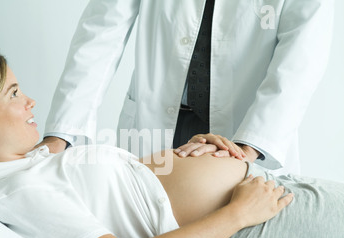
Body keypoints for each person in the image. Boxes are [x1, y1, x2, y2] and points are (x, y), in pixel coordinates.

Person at [0, 49, 344, 238]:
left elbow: (122, 193)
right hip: (250, 225)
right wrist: (238, 213)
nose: (30, 101)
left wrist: (191, 150)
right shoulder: (18, 192)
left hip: (258, 191)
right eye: (12, 93)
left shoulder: (31, 163)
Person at [43, 0, 335, 175]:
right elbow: (102, 31)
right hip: (156, 124)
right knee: (145, 236)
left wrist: (251, 145)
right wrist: (62, 132)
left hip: (244, 129)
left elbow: (303, 54)